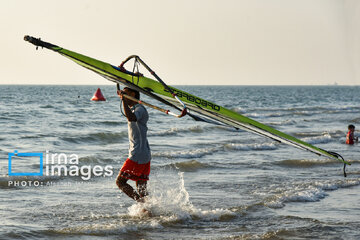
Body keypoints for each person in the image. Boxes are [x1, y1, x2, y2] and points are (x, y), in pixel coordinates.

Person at [116, 87, 151, 202]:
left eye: (126, 93)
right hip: (144, 154)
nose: (124, 96)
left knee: (120, 182)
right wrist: (124, 98)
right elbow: (130, 115)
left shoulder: (140, 109)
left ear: (133, 94)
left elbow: (131, 118)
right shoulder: (136, 109)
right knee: (141, 188)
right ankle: (148, 209)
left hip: (137, 154)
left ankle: (140, 203)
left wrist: (124, 100)